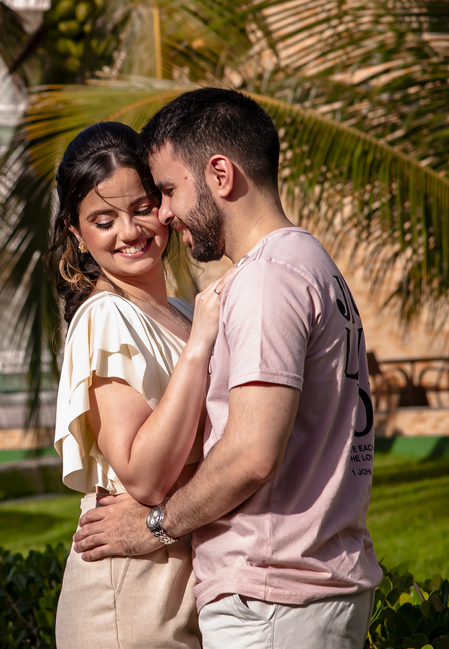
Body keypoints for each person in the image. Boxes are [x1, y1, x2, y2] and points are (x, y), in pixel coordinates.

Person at [71, 88, 382, 648]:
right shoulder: (309, 263)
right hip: (285, 586)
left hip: (275, 593)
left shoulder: (262, 282)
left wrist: (152, 525)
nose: (161, 215)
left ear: (219, 174)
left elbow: (249, 455)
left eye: (161, 194)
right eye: (103, 218)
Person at [50, 121, 227, 648]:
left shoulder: (178, 311)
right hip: (130, 591)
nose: (129, 231)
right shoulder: (103, 318)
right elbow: (144, 477)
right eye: (103, 220)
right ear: (77, 234)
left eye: (142, 207)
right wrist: (201, 345)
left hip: (179, 570)